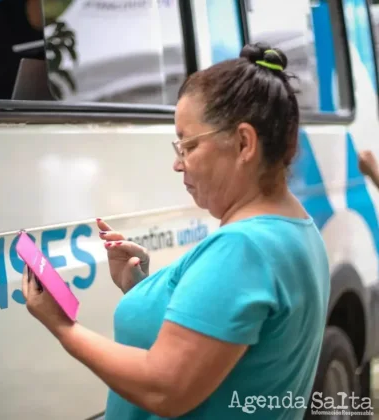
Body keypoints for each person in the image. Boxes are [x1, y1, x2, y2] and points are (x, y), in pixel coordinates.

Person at [21, 43, 331, 419]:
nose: (177, 163)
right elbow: (216, 334)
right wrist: (141, 287)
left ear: (244, 143)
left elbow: (164, 388)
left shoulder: (243, 248)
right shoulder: (298, 228)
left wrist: (63, 328)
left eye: (187, 145)